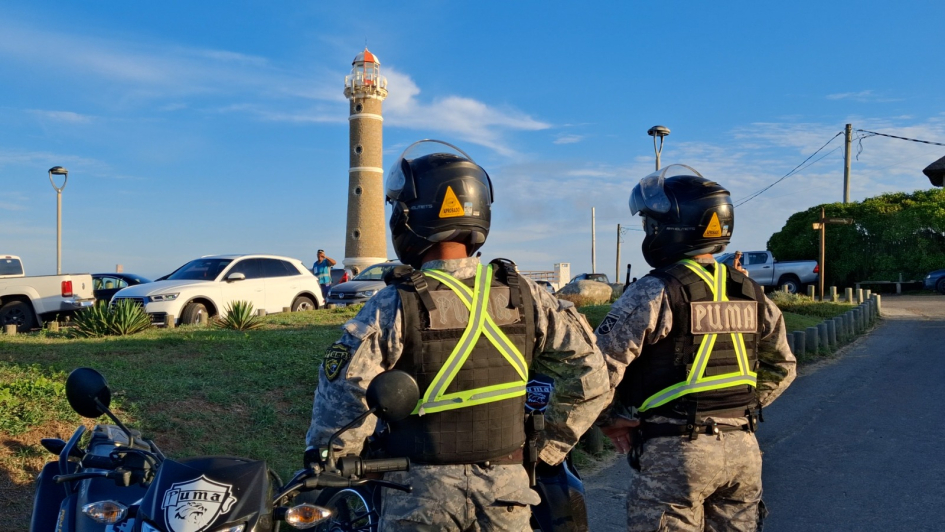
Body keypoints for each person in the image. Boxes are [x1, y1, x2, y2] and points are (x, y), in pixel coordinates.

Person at [306, 140, 613, 531]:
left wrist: (333, 461)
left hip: (418, 496)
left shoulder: (393, 304)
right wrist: (548, 448)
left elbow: (345, 397)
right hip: (509, 493)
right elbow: (591, 376)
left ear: (409, 216)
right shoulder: (528, 295)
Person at [594, 164, 796, 531]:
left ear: (668, 229)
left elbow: (597, 367)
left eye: (650, 224)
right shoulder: (750, 292)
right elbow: (783, 364)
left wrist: (611, 418)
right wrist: (738, 407)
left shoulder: (655, 290)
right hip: (744, 448)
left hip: (677, 451)